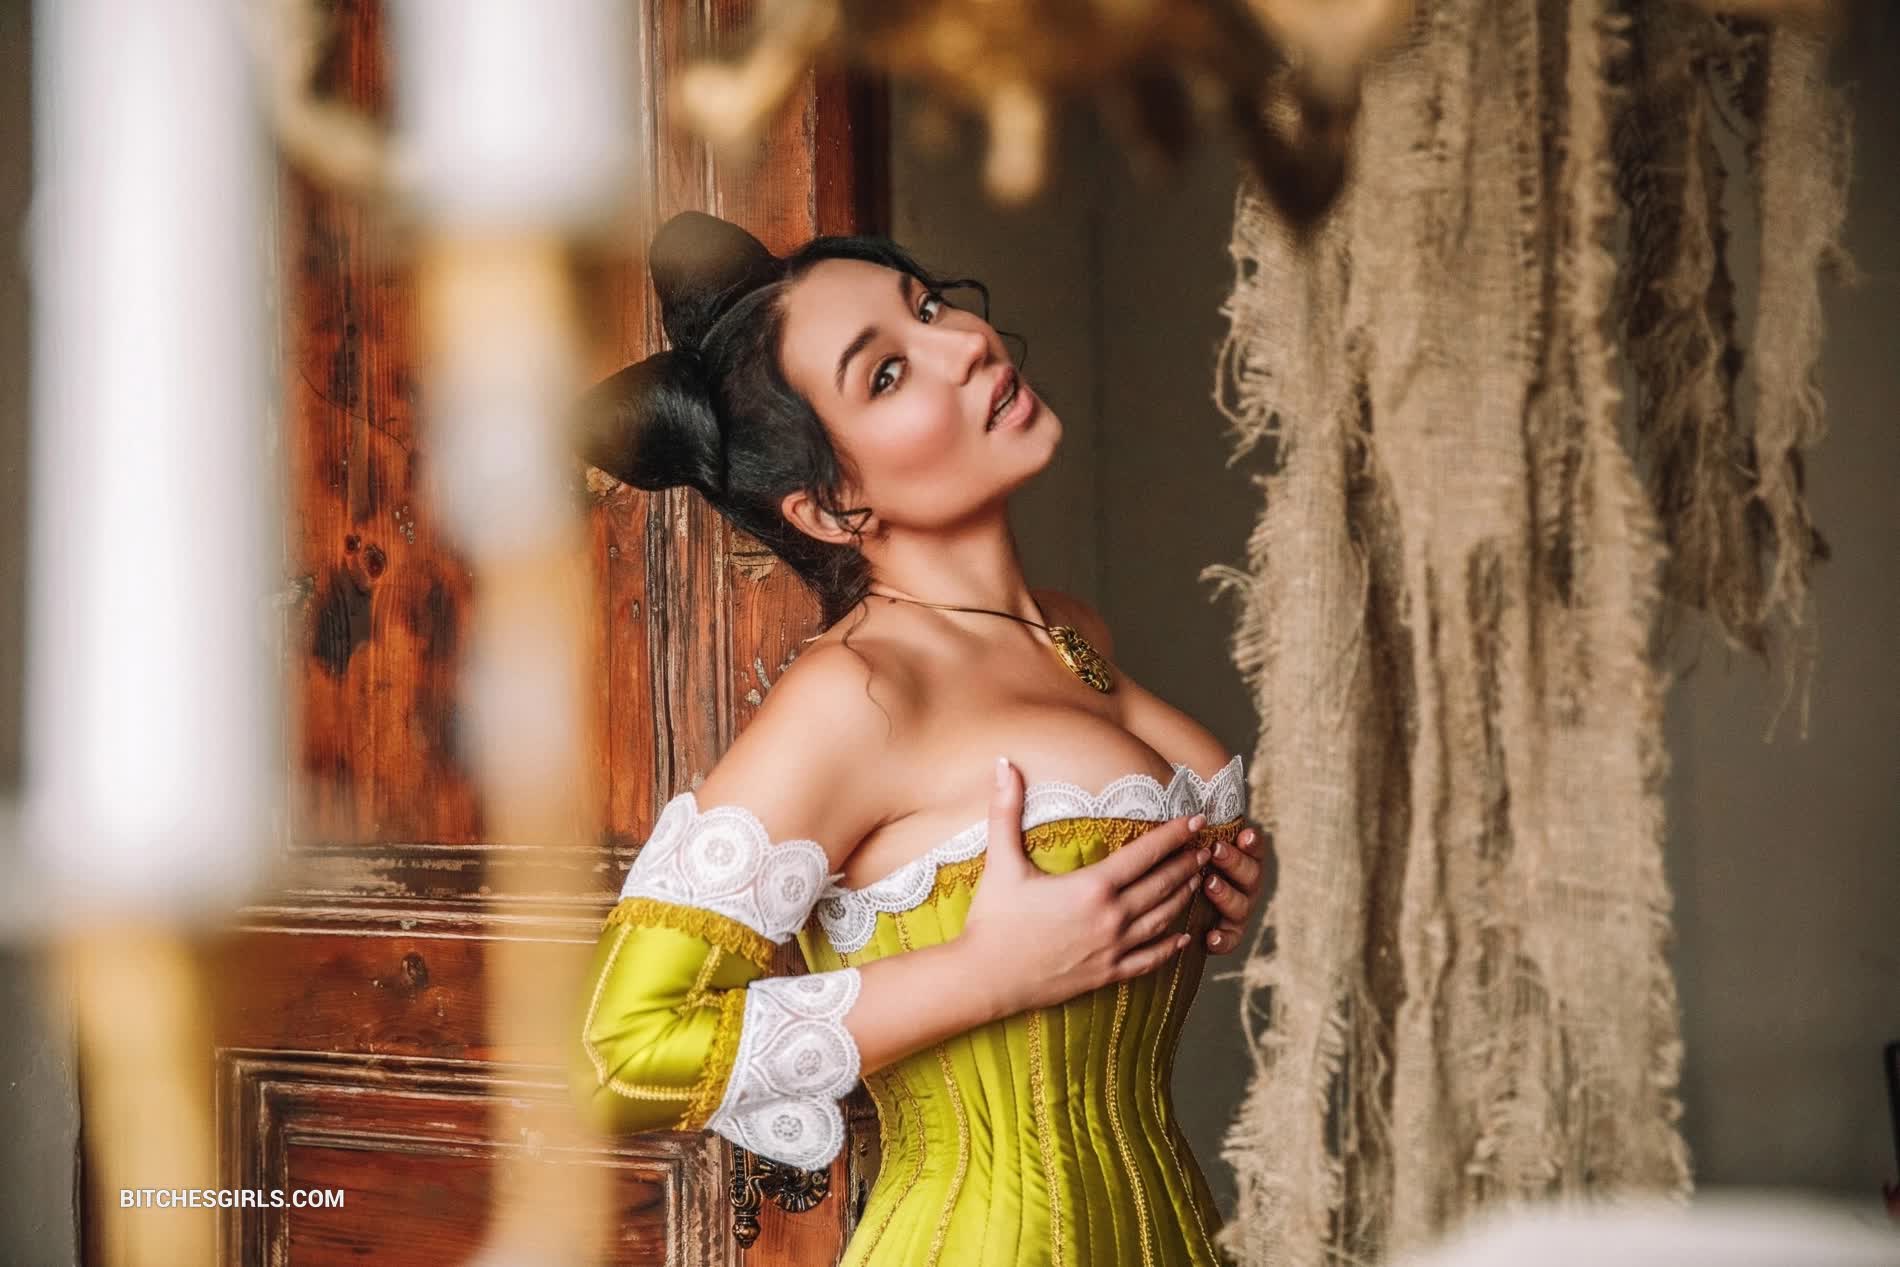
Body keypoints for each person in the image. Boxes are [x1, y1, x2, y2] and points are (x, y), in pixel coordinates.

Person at [566, 210, 1268, 1267]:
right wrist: (988, 970)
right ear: (831, 505)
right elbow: (621, 1056)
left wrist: (1200, 885)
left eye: (929, 308)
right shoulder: (856, 695)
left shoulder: (1071, 631)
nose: (966, 344)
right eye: (886, 373)